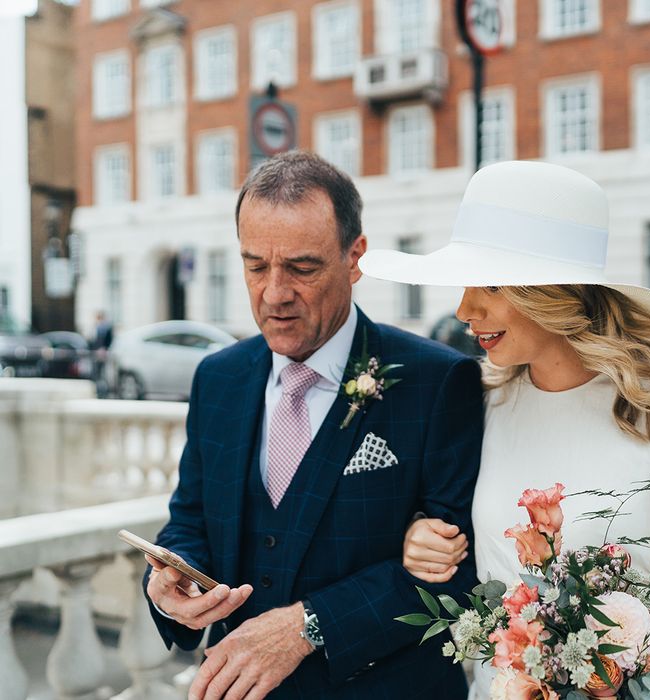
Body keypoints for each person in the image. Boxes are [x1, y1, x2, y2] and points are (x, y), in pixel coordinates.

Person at [359, 160, 650, 700]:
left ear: (555, 292)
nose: (464, 308)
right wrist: (421, 537)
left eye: (492, 283)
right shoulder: (482, 405)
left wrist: (647, 682)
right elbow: (468, 555)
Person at [142, 151, 484, 700]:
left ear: (355, 258)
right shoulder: (218, 378)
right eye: (255, 266)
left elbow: (461, 579)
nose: (274, 293)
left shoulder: (439, 381)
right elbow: (189, 522)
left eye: (301, 268)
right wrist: (170, 578)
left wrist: (309, 625)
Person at [90, 310, 113, 397]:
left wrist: (104, 350)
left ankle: (104, 391)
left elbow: (108, 341)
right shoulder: (96, 327)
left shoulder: (107, 328)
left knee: (103, 373)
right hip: (96, 353)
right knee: (96, 372)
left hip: (103, 353)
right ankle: (98, 390)